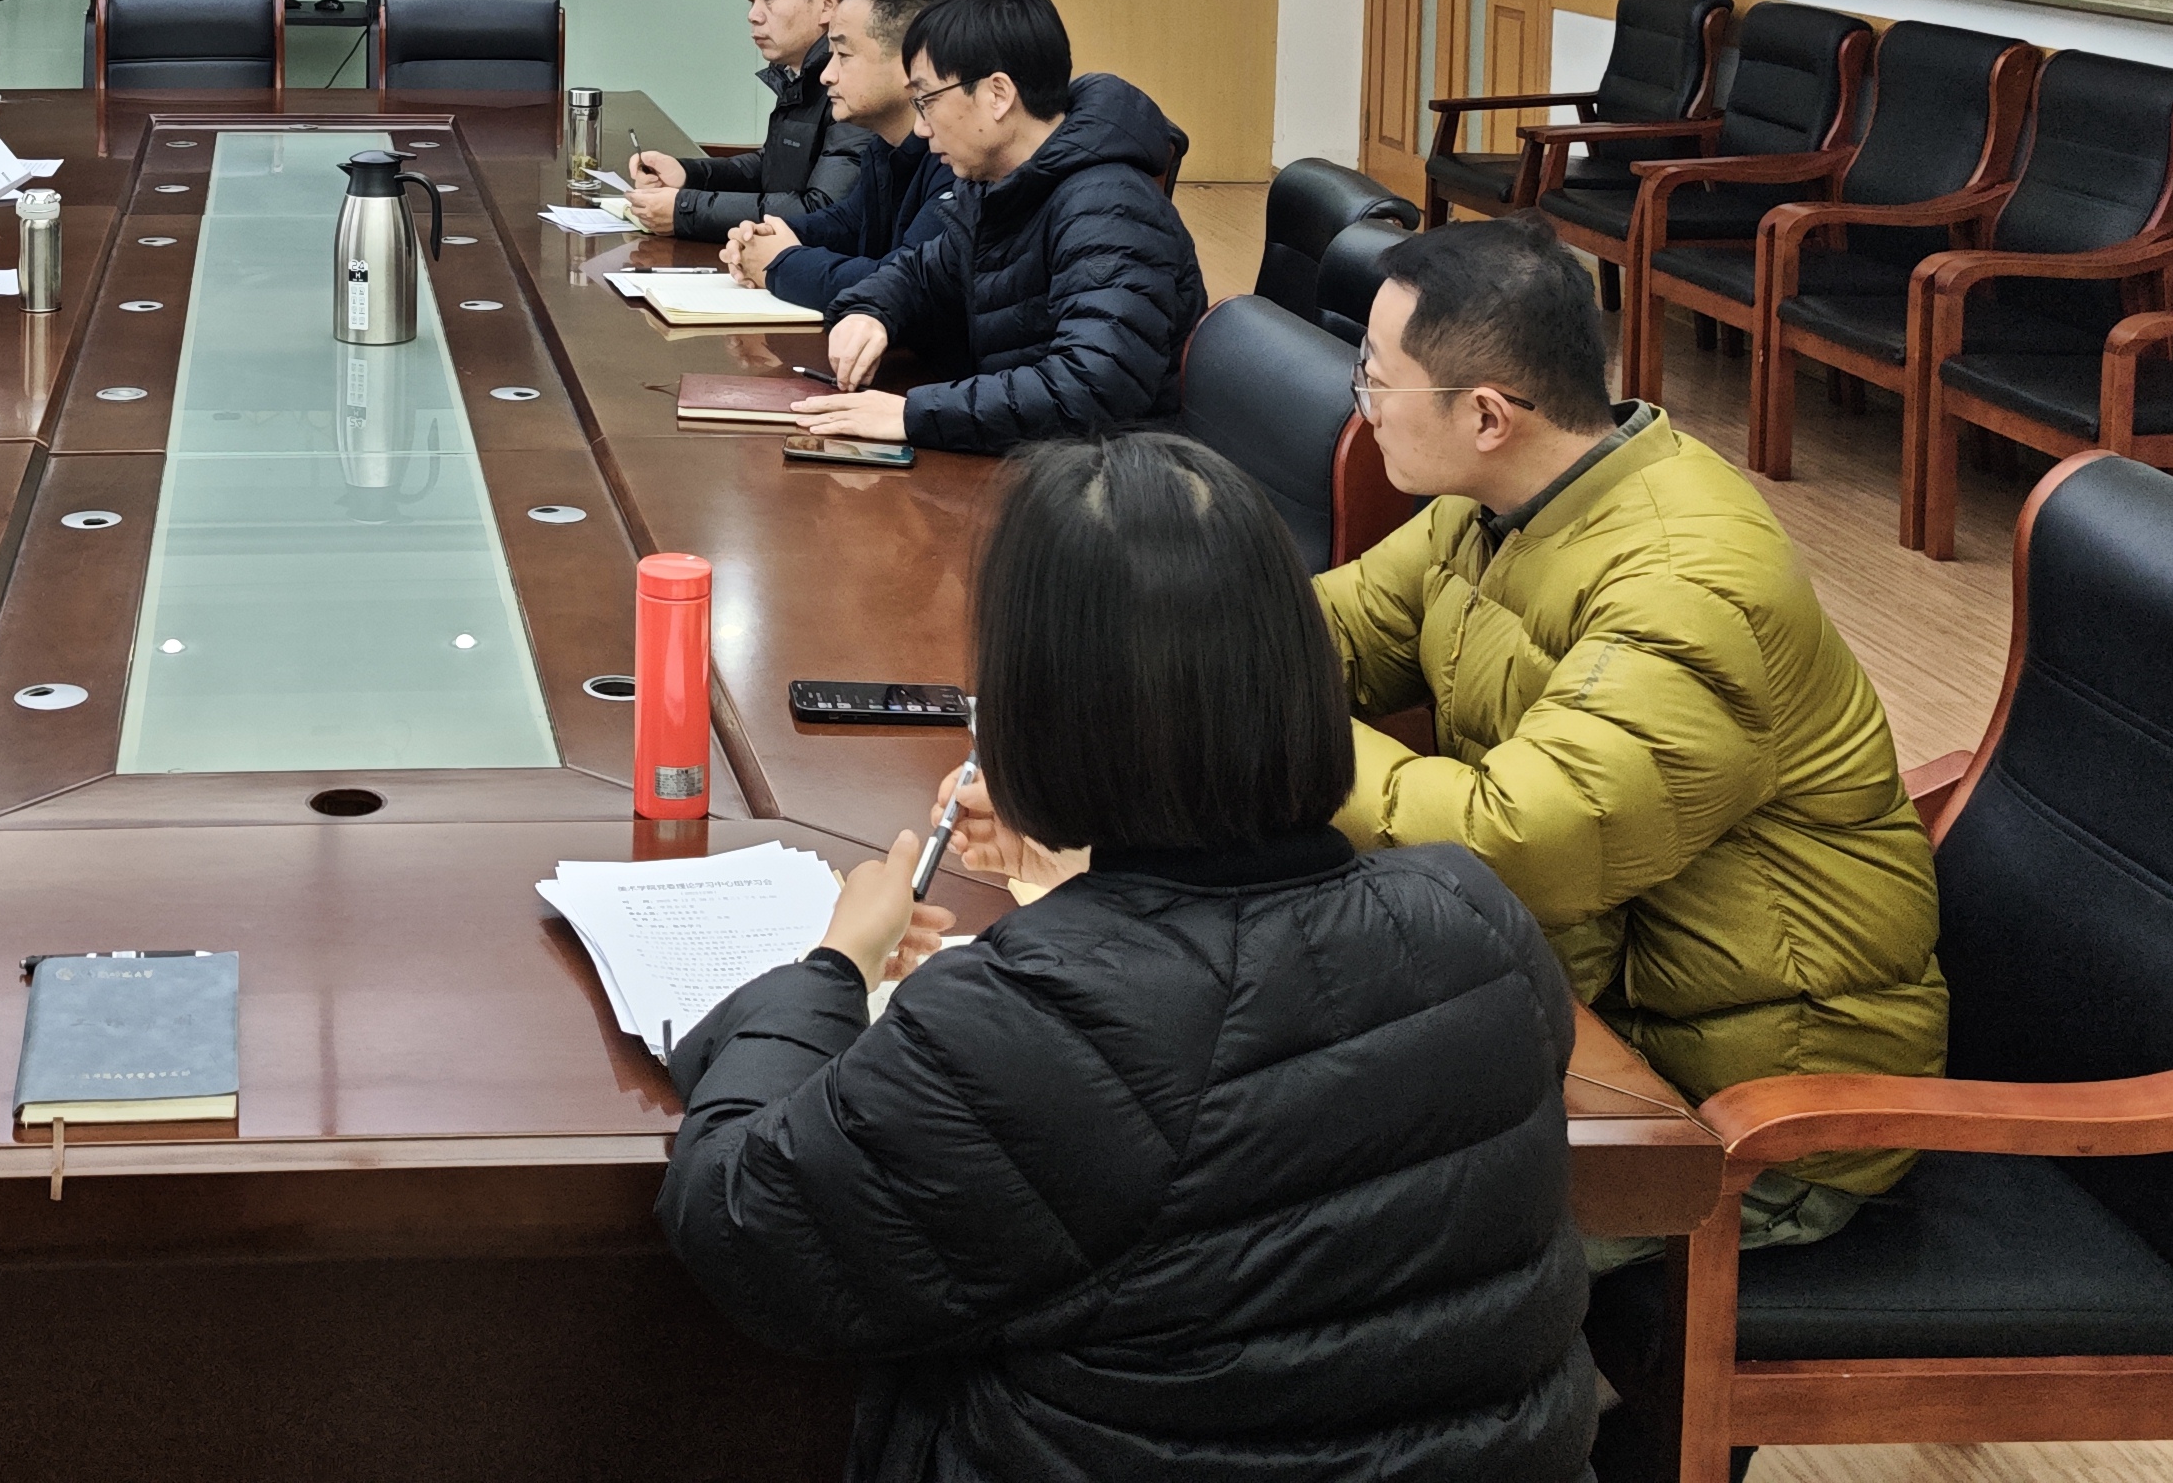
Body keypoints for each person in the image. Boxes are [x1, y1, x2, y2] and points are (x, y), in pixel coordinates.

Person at [659, 434, 1595, 1483]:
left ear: (1032, 709)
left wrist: (831, 966)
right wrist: (1090, 889)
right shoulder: (1477, 922)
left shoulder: (1037, 1023)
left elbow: (741, 1220)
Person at [1321, 212, 1945, 1261]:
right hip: (1588, 1018)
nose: (1365, 406)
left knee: (1322, 1234)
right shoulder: (1502, 501)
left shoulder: (1684, 584)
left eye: (1377, 380)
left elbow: (1517, 842)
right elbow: (1331, 632)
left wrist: (1270, 732)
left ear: (1487, 414)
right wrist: (1164, 644)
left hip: (1751, 1123)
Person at [795, 0, 1202, 452]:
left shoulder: (1109, 207)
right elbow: (922, 273)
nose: (921, 127)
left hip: (1113, 474)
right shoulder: (1002, 185)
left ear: (997, 95)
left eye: (927, 100)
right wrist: (871, 313)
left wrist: (913, 414)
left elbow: (1093, 387)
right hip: (1038, 457)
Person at [624, 0, 869, 241]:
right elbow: (773, 168)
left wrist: (685, 209)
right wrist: (687, 174)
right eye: (752, 0)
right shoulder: (799, 73)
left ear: (826, 4)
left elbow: (822, 211)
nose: (753, 15)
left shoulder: (857, 85)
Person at [717, 0, 945, 310]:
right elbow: (848, 222)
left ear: (910, 65)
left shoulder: (956, 160)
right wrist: (768, 236)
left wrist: (781, 262)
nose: (827, 75)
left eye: (843, 55)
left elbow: (905, 282)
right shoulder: (885, 147)